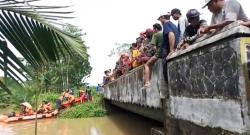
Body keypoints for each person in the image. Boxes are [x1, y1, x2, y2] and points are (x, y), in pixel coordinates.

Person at [144, 23, 163, 87]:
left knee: (147, 65)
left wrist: (146, 48)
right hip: (164, 52)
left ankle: (147, 82)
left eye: (153, 29)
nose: (153, 30)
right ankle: (149, 80)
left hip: (159, 54)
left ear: (156, 29)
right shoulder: (163, 33)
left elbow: (154, 47)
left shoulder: (155, 35)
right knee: (151, 64)